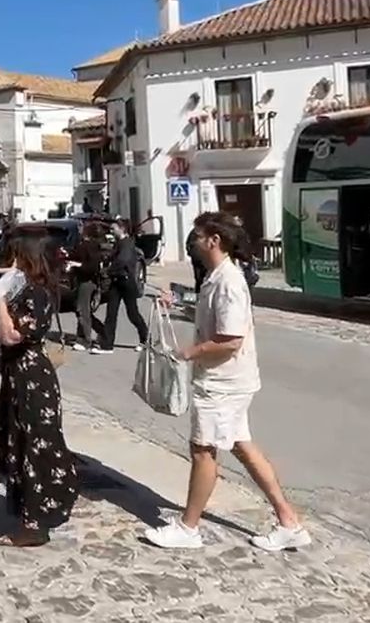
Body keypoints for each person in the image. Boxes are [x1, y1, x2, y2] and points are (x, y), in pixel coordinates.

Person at [144, 212, 310, 553]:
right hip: (230, 380)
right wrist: (177, 303)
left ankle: (188, 528)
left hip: (223, 382)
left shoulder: (229, 282)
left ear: (213, 240)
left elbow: (231, 338)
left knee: (203, 450)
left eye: (196, 237)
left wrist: (191, 352)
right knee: (242, 446)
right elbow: (212, 318)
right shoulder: (216, 277)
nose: (193, 243)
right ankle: (288, 522)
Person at [0, 236, 79, 547]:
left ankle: (34, 523)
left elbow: (13, 335)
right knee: (15, 439)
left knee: (32, 446)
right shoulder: (32, 289)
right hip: (21, 375)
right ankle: (29, 512)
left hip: (30, 377)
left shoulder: (33, 293)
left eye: (17, 257)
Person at [97, 220, 149, 354]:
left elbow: (122, 261)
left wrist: (107, 270)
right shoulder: (118, 243)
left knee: (132, 313)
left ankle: (145, 339)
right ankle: (107, 345)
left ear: (122, 229)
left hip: (126, 282)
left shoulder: (127, 243)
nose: (111, 231)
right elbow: (114, 257)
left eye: (113, 229)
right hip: (116, 282)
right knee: (111, 313)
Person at [71, 223, 108, 351]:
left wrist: (76, 265)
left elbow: (91, 267)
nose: (80, 229)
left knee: (82, 310)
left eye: (82, 227)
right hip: (89, 281)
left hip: (86, 281)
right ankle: (102, 332)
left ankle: (84, 340)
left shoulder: (88, 246)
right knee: (85, 311)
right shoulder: (91, 246)